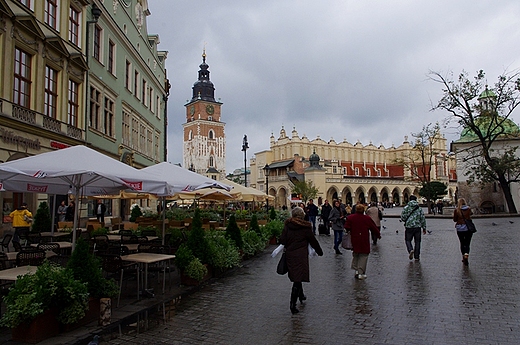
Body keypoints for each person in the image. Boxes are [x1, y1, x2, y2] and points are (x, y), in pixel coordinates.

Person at [279, 206, 323, 314]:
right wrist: (319, 251)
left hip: (290, 255)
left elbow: (282, 240)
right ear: (302, 215)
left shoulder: (287, 226)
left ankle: (301, 295)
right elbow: (313, 240)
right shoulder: (305, 227)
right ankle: (292, 305)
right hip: (300, 256)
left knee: (297, 276)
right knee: (298, 278)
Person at [344, 204, 381, 279]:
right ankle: (361, 273)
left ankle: (356, 270)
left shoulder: (351, 218)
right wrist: (378, 235)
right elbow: (374, 228)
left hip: (354, 238)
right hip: (363, 239)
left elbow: (346, 227)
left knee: (356, 253)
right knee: (364, 255)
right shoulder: (367, 218)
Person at [400, 195, 427, 261]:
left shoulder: (406, 207)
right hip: (417, 227)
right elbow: (422, 218)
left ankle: (410, 250)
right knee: (417, 242)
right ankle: (417, 256)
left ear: (409, 200)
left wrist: (407, 221)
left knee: (407, 240)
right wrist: (424, 227)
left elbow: (402, 217)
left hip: (409, 227)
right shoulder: (419, 208)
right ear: (415, 200)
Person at [453, 198, 474, 266]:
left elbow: (455, 219)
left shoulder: (457, 210)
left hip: (460, 228)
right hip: (468, 228)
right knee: (467, 243)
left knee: (462, 243)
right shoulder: (468, 209)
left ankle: (463, 256)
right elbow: (471, 214)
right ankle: (466, 255)